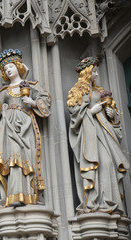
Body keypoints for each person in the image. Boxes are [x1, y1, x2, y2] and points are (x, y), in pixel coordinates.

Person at [0, 49, 51, 210]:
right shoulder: (4, 91)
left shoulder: (31, 86)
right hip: (8, 127)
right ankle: (14, 195)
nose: (8, 70)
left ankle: (30, 194)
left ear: (18, 66)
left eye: (11, 66)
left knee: (27, 158)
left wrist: (33, 102)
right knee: (13, 159)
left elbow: (46, 100)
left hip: (25, 124)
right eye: (5, 69)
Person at [67, 57, 129, 215]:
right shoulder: (77, 91)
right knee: (98, 165)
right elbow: (75, 114)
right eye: (94, 71)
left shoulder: (99, 91)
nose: (96, 74)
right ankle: (96, 204)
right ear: (87, 73)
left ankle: (111, 203)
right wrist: (89, 112)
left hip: (104, 133)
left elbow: (114, 117)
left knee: (108, 164)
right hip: (90, 135)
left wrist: (112, 114)